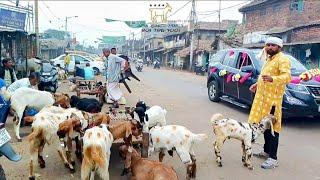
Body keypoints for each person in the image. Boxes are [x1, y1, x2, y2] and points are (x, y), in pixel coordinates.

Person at [248, 37, 291, 169]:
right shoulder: (269, 60)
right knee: (264, 126)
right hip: (262, 100)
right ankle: (266, 152)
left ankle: (273, 158)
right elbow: (264, 77)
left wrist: (273, 79)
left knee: (273, 129)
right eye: (268, 45)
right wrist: (257, 84)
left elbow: (287, 77)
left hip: (272, 102)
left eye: (273, 45)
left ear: (279, 47)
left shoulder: (283, 59)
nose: (270, 47)